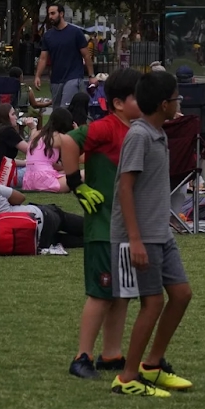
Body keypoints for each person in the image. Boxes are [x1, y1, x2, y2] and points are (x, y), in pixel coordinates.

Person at [111, 70, 196, 397]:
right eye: (176, 98)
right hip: (141, 235)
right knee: (152, 303)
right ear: (164, 104)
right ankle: (128, 377)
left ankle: (153, 364)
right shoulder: (140, 136)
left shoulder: (159, 134)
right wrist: (134, 239)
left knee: (182, 294)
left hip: (161, 232)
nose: (180, 102)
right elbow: (125, 189)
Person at [65, 68, 141, 380]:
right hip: (103, 226)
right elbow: (68, 141)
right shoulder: (106, 127)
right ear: (119, 103)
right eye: (140, 95)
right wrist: (76, 185)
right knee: (101, 293)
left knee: (122, 293)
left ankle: (112, 354)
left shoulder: (137, 129)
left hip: (125, 227)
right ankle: (82, 356)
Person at [36, 4, 94, 110]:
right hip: (56, 79)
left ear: (61, 14)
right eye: (49, 14)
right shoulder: (48, 36)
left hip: (73, 76)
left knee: (65, 109)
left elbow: (86, 55)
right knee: (57, 111)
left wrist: (91, 75)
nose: (50, 17)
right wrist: (37, 76)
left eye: (53, 13)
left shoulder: (76, 33)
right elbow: (43, 58)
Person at [22, 107, 73, 193]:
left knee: (66, 172)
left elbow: (46, 162)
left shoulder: (37, 134)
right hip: (45, 179)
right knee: (84, 173)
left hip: (29, 180)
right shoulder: (57, 137)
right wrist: (77, 130)